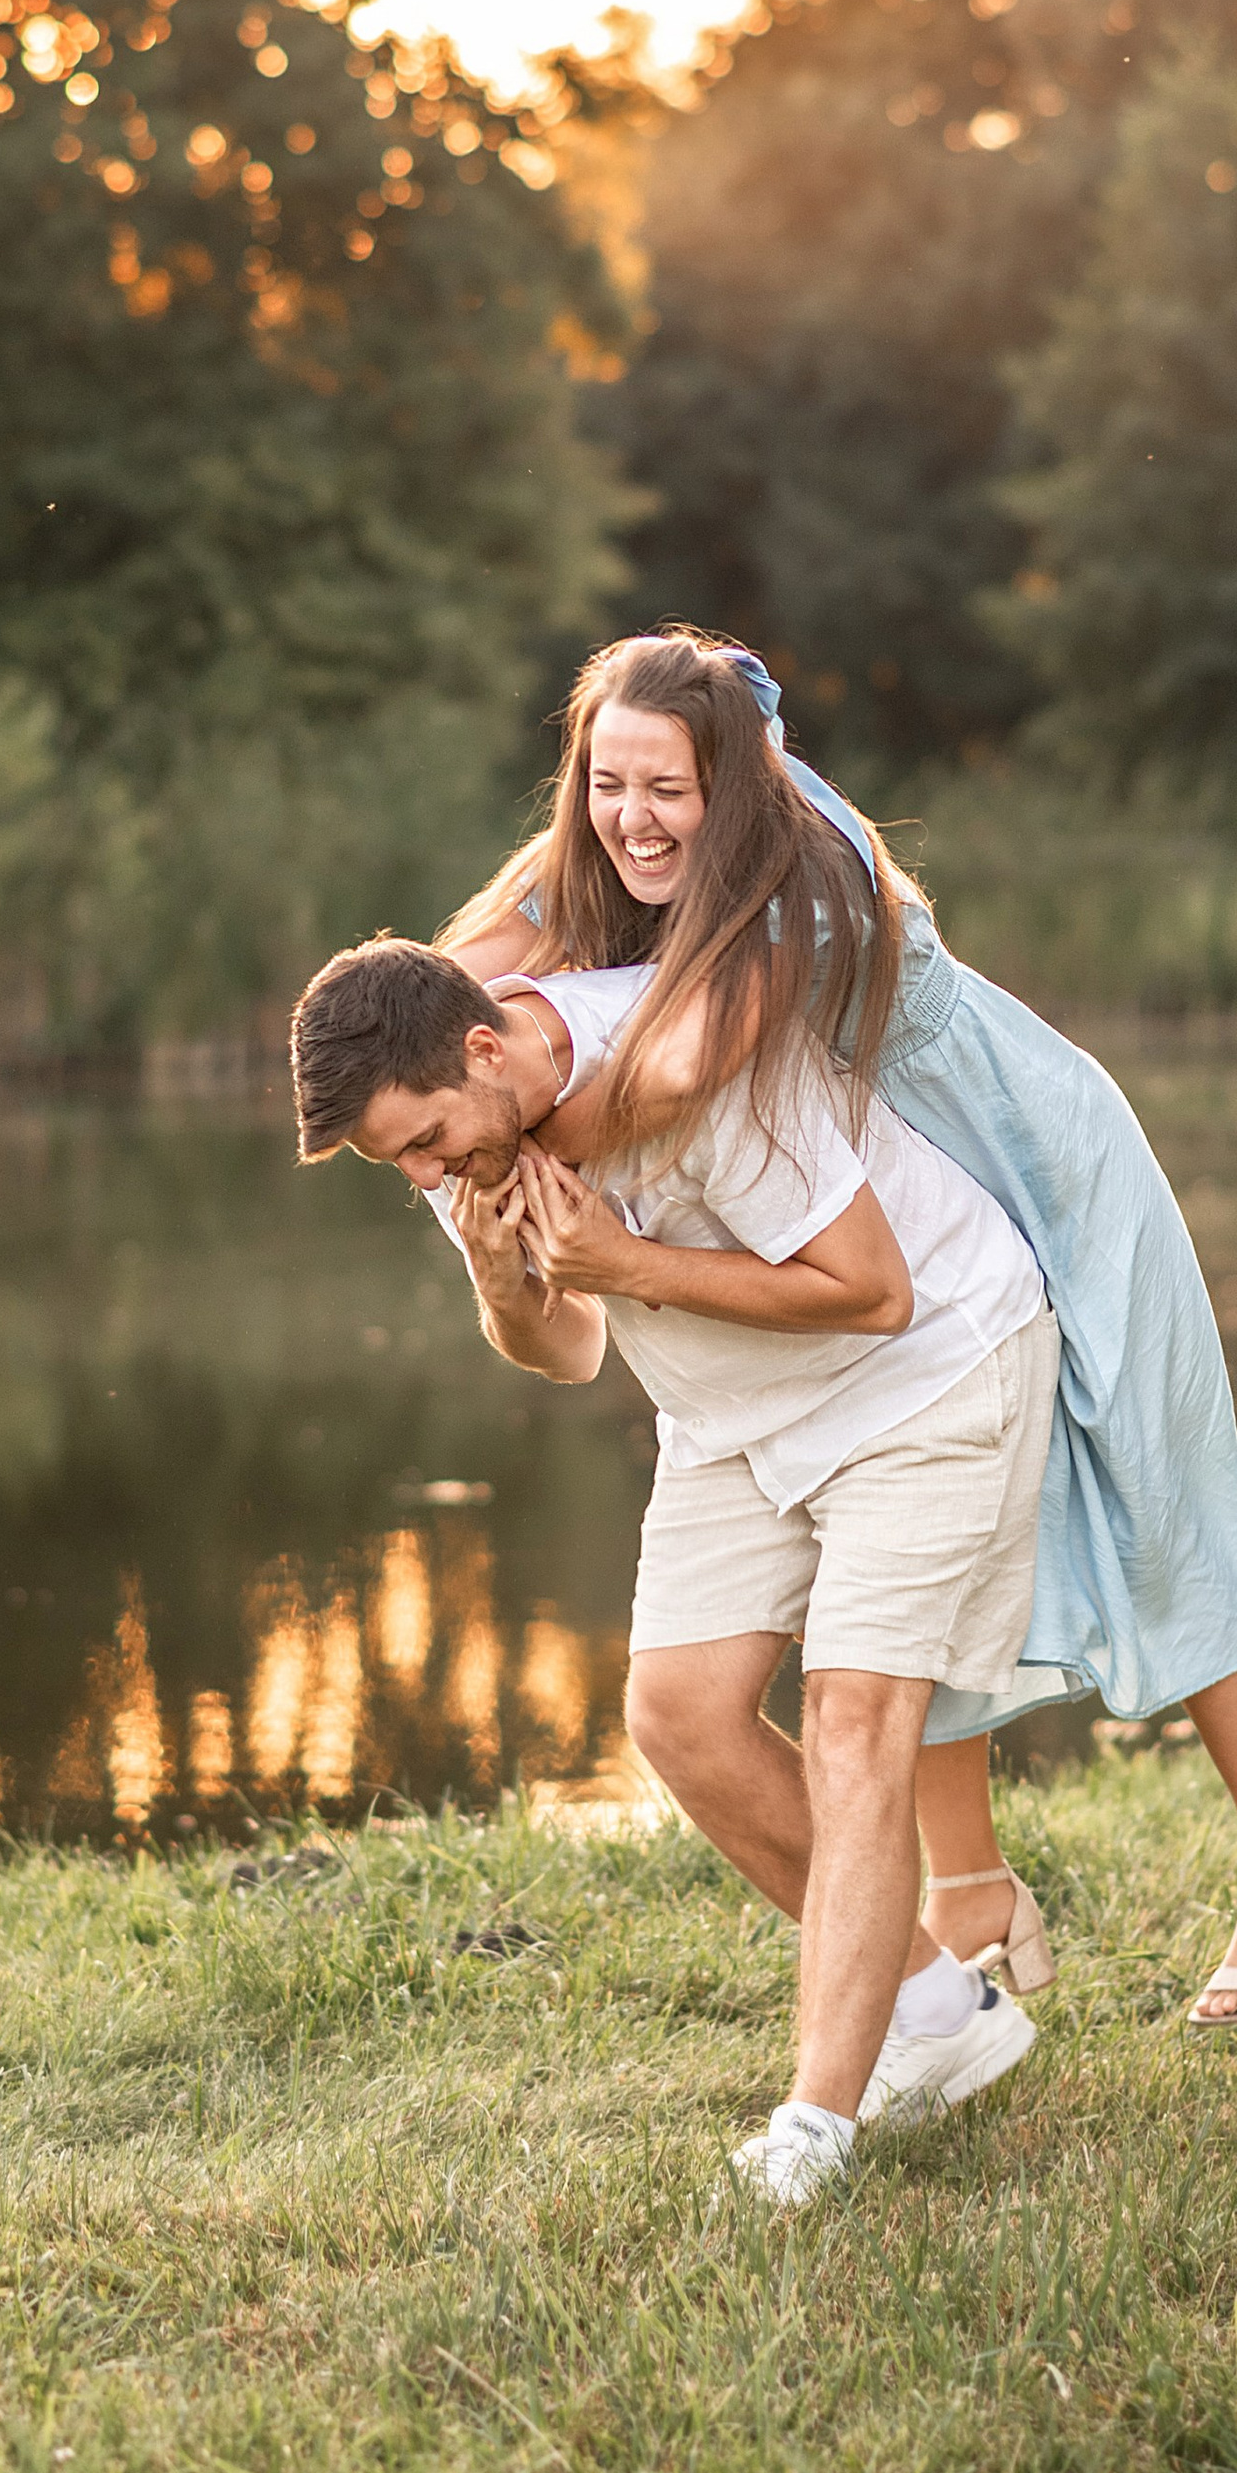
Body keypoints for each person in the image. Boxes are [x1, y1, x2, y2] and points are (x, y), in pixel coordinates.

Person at [444, 628, 1237, 2031]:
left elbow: (671, 1073)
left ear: (735, 783)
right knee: (896, 1542)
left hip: (1027, 1159)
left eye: (667, 790)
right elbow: (448, 982)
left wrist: (510, 1138)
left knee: (1153, 1493)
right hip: (886, 1191)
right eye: (607, 785)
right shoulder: (604, 847)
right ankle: (972, 1891)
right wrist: (436, 1072)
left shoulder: (799, 878)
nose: (633, 818)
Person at [291, 934, 1066, 2206]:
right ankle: (940, 2012)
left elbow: (872, 1290)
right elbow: (568, 1348)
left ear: (484, 1050)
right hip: (736, 1414)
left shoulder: (691, 1065)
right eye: (401, 1164)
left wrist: (625, 1265)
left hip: (926, 1370)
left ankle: (816, 2126)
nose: (425, 1173)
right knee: (677, 1714)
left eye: (425, 1143)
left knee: (854, 1718)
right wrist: (503, 1279)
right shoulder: (466, 1127)